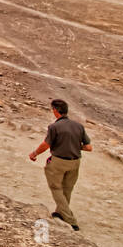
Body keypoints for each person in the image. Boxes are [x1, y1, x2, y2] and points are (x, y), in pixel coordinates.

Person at [29, 99, 92, 231]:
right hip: (75, 162)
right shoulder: (78, 126)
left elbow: (46, 145)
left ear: (55, 111)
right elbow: (88, 147)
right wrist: (74, 146)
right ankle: (60, 213)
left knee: (56, 188)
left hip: (59, 162)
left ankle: (71, 220)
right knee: (67, 189)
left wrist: (34, 154)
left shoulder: (54, 127)